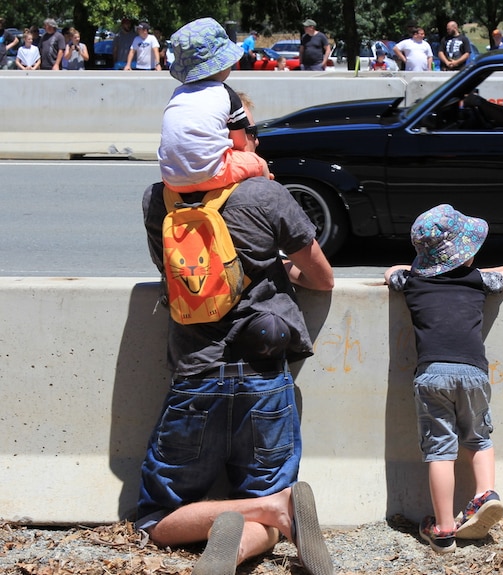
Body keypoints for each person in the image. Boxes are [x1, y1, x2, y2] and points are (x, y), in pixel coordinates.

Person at [140, 85, 336, 575]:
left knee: (157, 518)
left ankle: (247, 524)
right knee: (266, 498)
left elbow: (176, 277)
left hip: (195, 377)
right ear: (228, 137)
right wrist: (279, 271)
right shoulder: (266, 193)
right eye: (251, 130)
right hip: (264, 375)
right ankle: (269, 511)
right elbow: (322, 277)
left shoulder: (156, 201)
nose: (257, 139)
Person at [383, 204, 503, 554]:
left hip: (431, 375)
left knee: (439, 452)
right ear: (466, 254)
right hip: (472, 373)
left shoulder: (412, 281)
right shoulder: (479, 279)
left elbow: (391, 272)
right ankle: (484, 495)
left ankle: (445, 529)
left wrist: (418, 265)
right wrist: (477, 267)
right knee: (479, 439)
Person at [159, 18, 271, 194]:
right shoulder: (227, 94)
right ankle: (264, 197)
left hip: (171, 179)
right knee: (258, 163)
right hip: (211, 175)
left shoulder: (178, 94)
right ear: (223, 64)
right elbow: (240, 143)